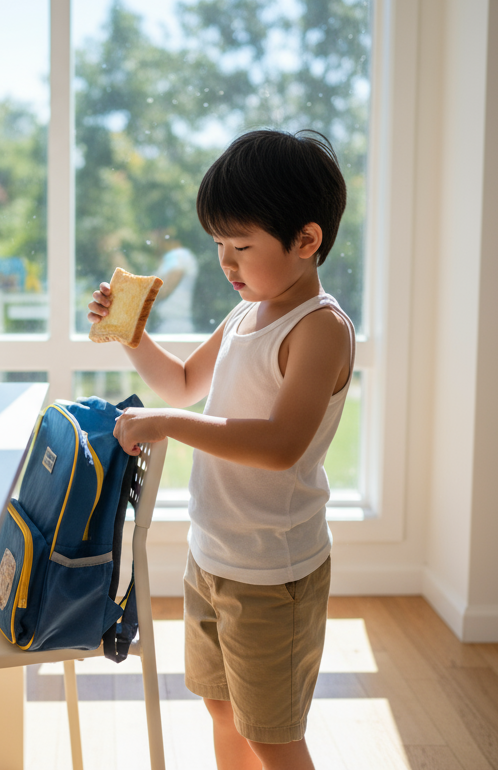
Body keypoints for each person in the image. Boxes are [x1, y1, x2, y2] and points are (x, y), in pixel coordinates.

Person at [87, 129, 354, 770]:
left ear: (306, 241)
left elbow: (281, 445)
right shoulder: (244, 315)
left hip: (272, 572)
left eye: (241, 246)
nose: (226, 264)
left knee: (272, 732)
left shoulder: (318, 329)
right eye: (217, 246)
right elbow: (181, 382)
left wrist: (170, 424)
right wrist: (130, 335)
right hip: (213, 555)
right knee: (222, 707)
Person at [149, 231, 198, 333]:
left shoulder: (179, 255)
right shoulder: (173, 258)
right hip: (172, 323)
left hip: (175, 325)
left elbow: (165, 290)